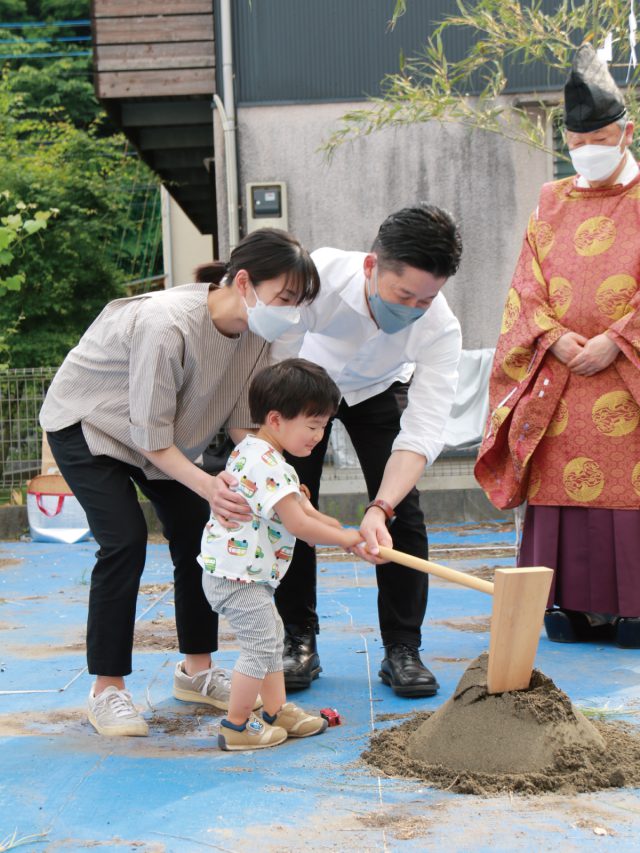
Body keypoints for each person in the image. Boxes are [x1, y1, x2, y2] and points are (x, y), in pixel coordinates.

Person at [39, 228, 320, 736]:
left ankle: (196, 671)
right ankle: (108, 690)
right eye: (285, 298)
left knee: (200, 533)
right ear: (243, 282)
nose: (290, 312)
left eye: (298, 303)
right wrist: (209, 485)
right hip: (92, 426)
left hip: (165, 439)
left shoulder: (258, 333)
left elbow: (242, 424)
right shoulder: (166, 324)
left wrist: (274, 481)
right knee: (123, 541)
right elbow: (149, 436)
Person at [475, 44, 640, 648]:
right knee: (557, 485)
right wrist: (555, 336)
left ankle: (632, 609)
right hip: (559, 371)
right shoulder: (551, 199)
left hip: (626, 375)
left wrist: (619, 340)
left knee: (630, 487)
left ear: (626, 132)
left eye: (597, 136)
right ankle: (563, 604)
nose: (585, 150)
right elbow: (527, 282)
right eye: (575, 141)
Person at [269, 203, 463, 697]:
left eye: (427, 298)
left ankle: (403, 647)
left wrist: (382, 506)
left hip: (377, 389)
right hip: (303, 383)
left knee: (405, 514)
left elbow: (422, 431)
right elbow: (267, 356)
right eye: (404, 295)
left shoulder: (439, 326)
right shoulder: (317, 279)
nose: (414, 308)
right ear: (372, 266)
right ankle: (297, 639)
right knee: (289, 503)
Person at [200, 358, 363, 750]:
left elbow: (304, 511)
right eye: (312, 426)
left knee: (272, 637)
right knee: (260, 646)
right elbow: (299, 525)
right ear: (276, 419)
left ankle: (276, 710)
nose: (318, 436)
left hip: (244, 574)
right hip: (237, 578)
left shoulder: (257, 453)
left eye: (323, 426)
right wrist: (345, 540)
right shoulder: (268, 464)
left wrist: (343, 532)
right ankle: (237, 726)